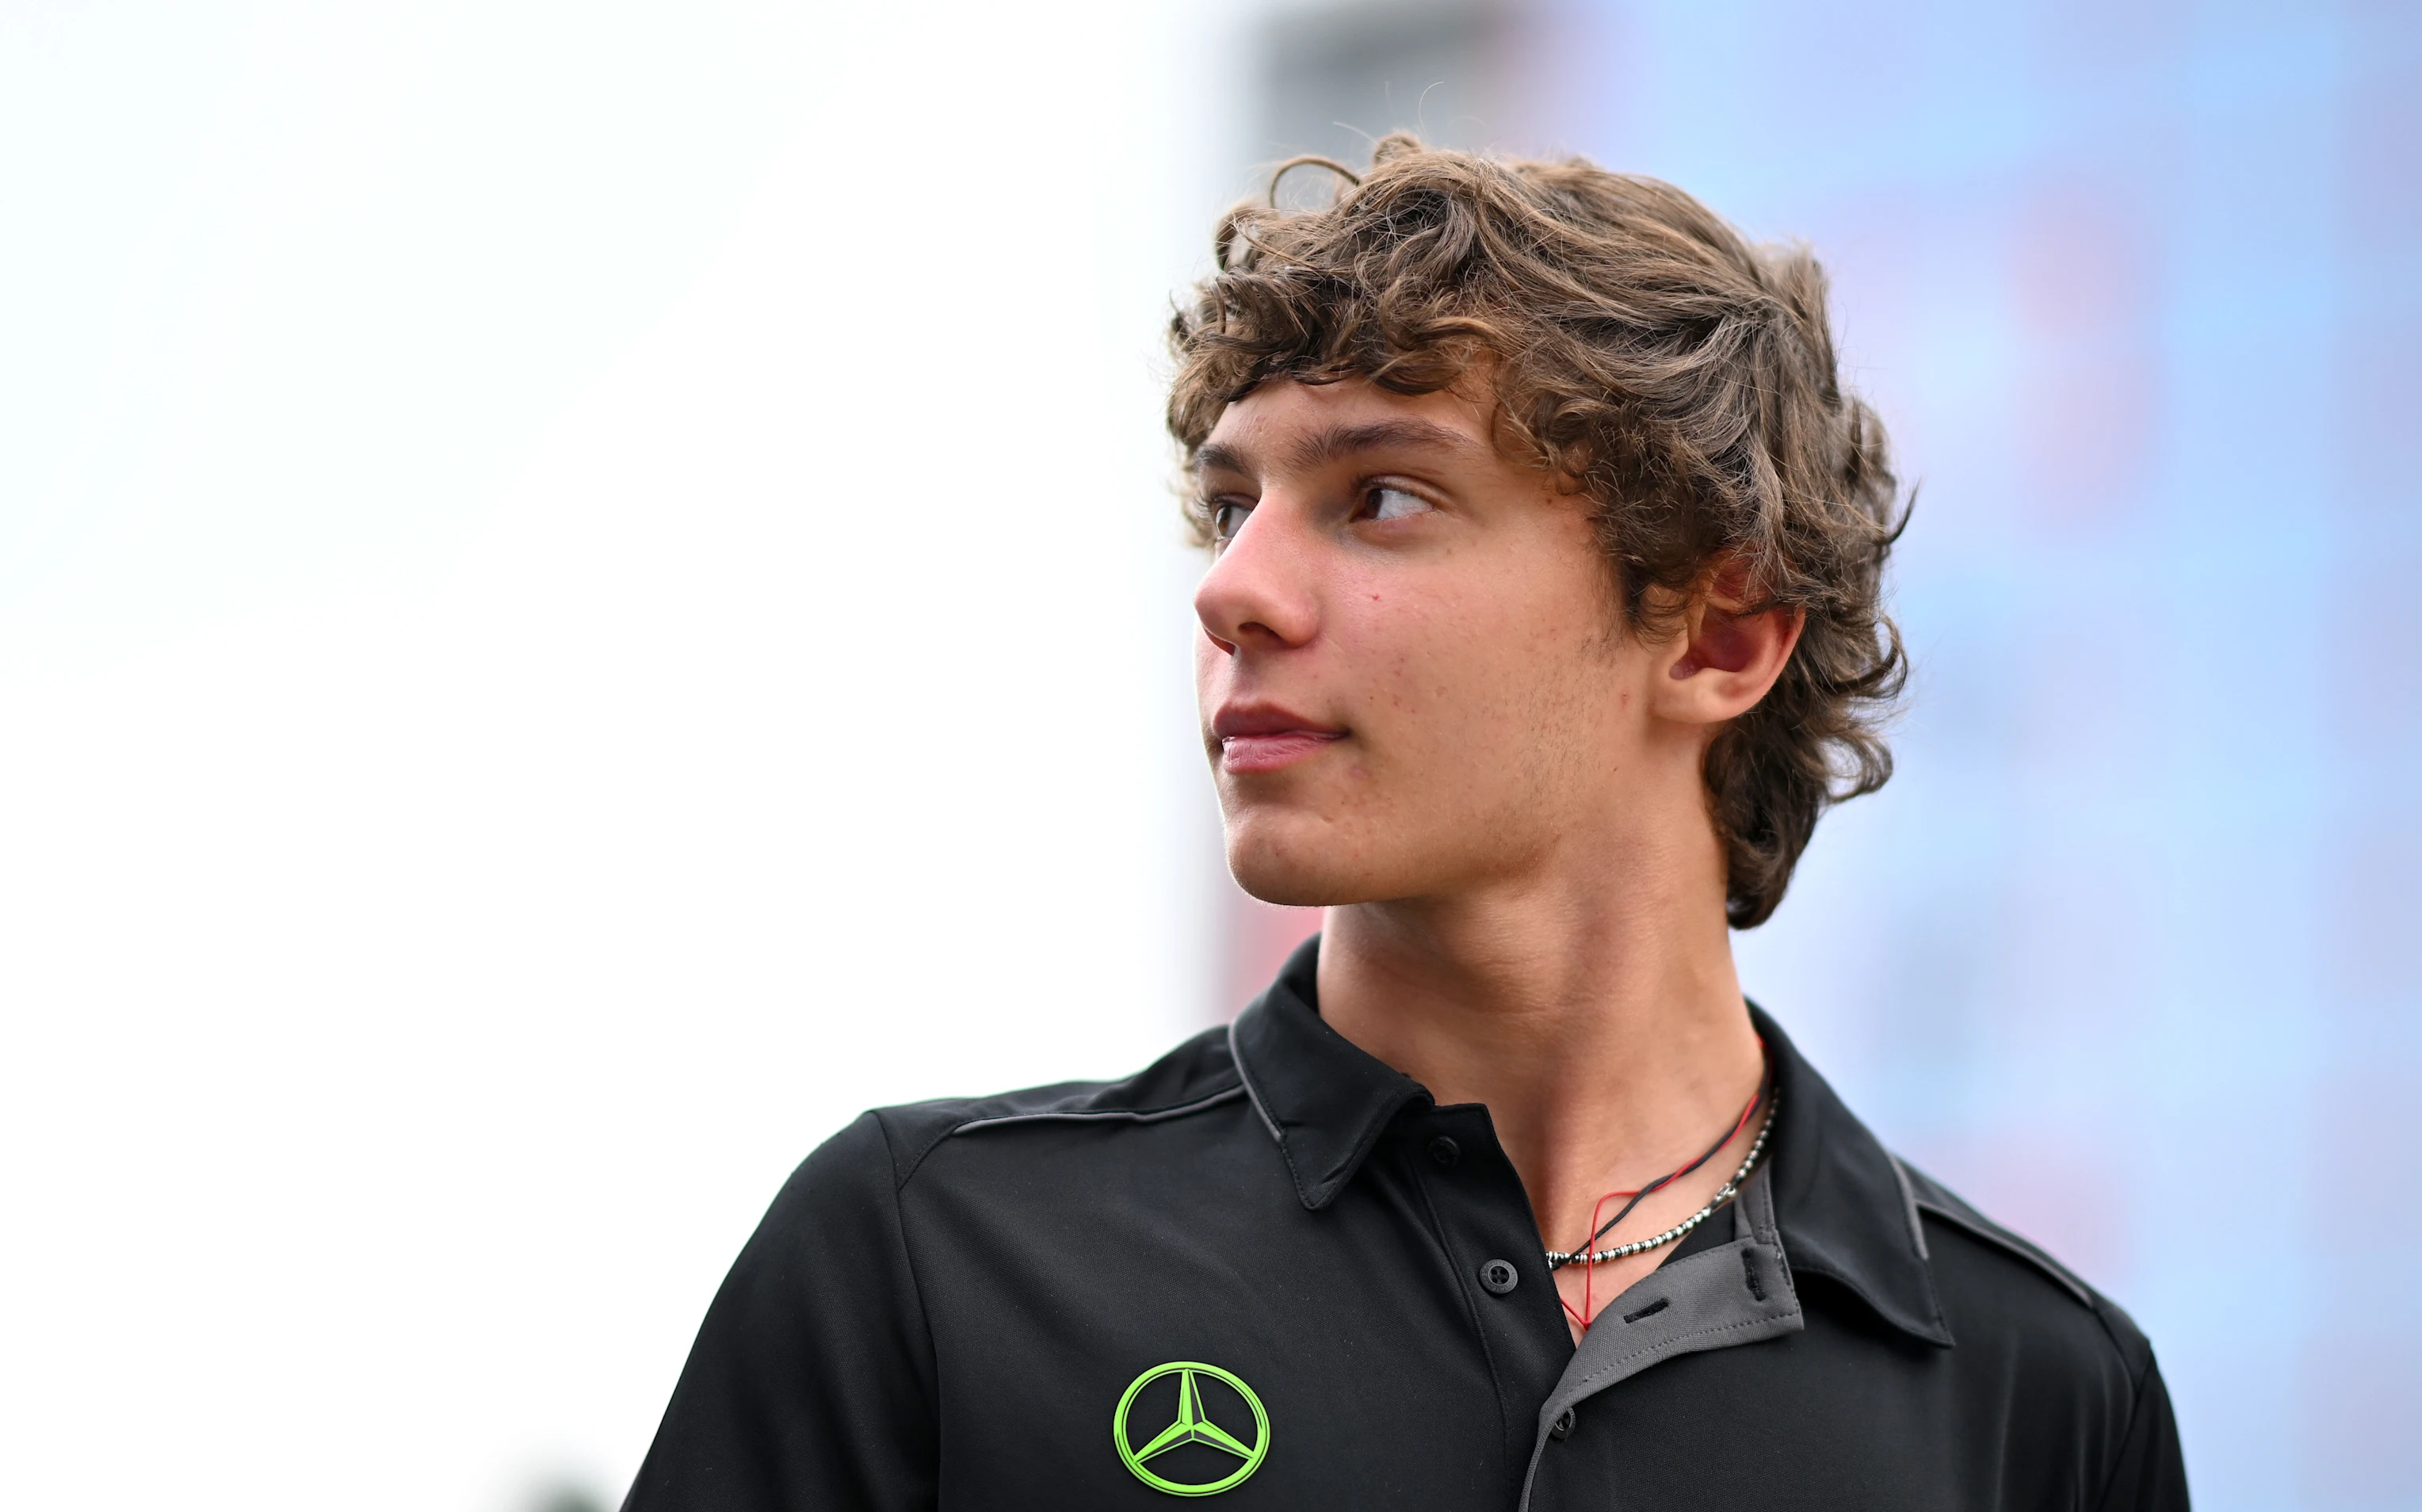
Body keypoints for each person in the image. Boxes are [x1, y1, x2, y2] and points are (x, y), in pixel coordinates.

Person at [622, 135, 2187, 1511]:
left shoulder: (2037, 1399)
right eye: (1234, 502)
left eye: (1380, 498)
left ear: (1717, 634)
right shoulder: (929, 1260)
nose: (1231, 587)